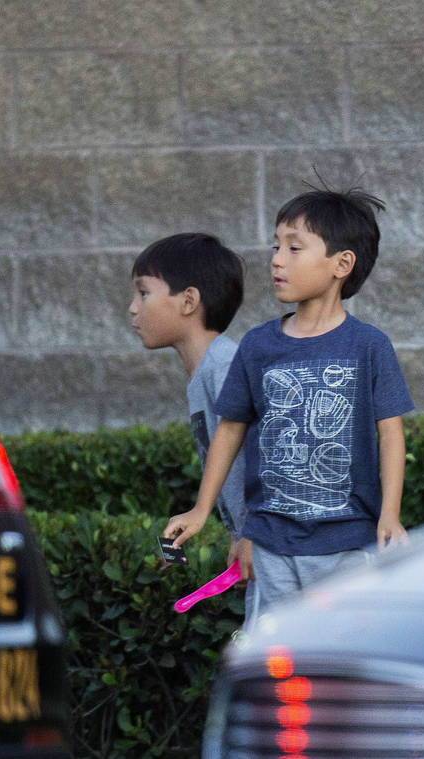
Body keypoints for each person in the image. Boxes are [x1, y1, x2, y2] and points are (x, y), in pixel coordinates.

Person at [163, 184, 413, 613]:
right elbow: (230, 429)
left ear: (342, 264)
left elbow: (390, 434)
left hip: (347, 544)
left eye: (294, 248)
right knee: (278, 660)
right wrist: (200, 509)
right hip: (270, 543)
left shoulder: (369, 346)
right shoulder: (259, 345)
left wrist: (389, 515)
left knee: (336, 658)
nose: (277, 259)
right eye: (275, 246)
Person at [128, 232, 258, 622]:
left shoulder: (225, 367)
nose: (133, 309)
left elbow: (271, 449)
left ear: (188, 301)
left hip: (277, 549)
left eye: (144, 293)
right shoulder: (207, 372)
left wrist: (257, 533)